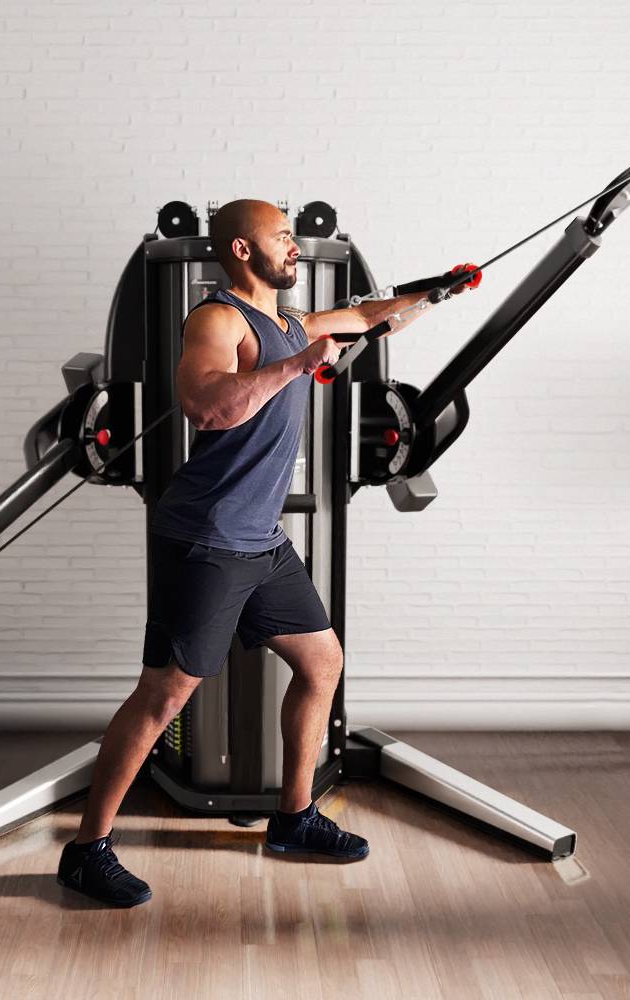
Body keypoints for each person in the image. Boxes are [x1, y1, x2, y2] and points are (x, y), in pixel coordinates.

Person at [57, 199, 441, 908]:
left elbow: (370, 317)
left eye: (294, 240)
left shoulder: (294, 320)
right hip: (205, 538)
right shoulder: (217, 320)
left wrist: (438, 291)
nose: (294, 250)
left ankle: (292, 818)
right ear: (240, 250)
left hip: (261, 542)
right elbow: (208, 407)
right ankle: (87, 851)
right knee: (163, 696)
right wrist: (296, 366)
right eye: (283, 239)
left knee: (323, 663)